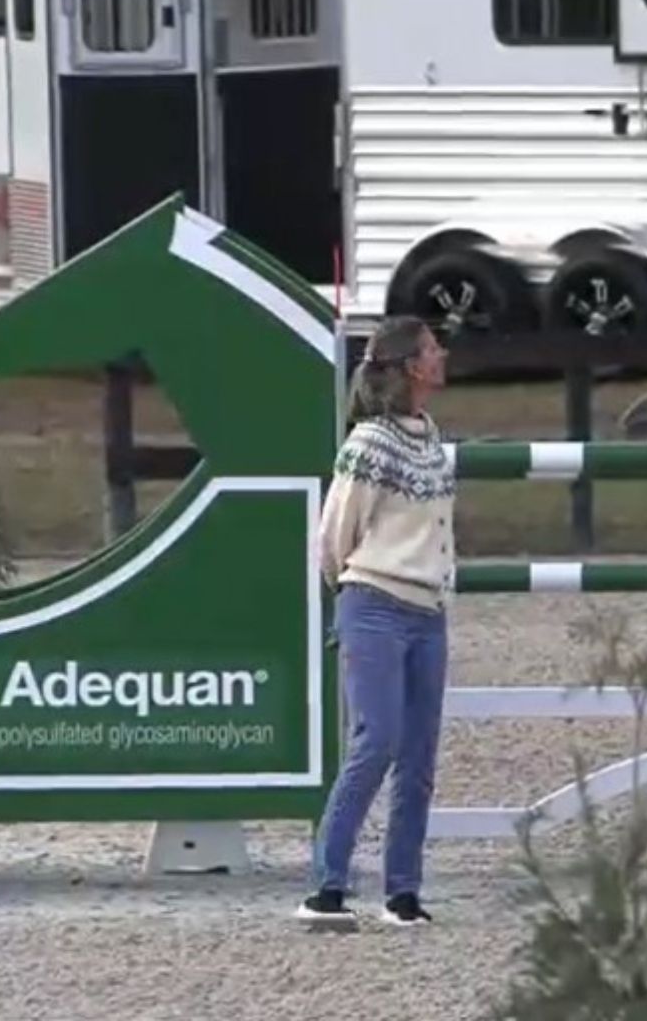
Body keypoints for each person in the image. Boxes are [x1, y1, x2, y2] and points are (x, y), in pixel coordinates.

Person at [296, 315, 455, 930]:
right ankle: (328, 884)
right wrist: (355, 590)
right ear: (413, 366)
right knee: (377, 740)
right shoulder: (368, 444)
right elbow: (335, 533)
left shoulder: (430, 434)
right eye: (432, 348)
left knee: (419, 756)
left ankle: (403, 890)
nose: (442, 354)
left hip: (427, 610)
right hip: (377, 604)